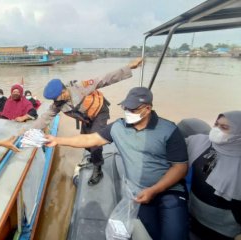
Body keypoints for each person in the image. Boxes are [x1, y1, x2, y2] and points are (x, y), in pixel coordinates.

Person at [45, 87, 189, 240]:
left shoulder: (169, 130)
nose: (127, 111)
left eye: (133, 109)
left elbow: (180, 168)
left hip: (169, 192)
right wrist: (57, 140)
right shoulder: (118, 127)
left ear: (147, 109)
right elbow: (89, 139)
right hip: (138, 192)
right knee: (151, 233)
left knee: (174, 235)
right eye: (125, 107)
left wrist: (154, 190)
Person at [33, 57, 143, 186]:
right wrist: (26, 132)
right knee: (85, 141)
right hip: (86, 118)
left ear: (63, 92)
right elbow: (45, 118)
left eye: (56, 98)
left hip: (99, 113)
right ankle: (93, 157)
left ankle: (98, 168)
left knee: (94, 143)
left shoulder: (81, 87)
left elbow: (105, 79)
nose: (55, 102)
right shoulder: (58, 104)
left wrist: (129, 67)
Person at [187, 111, 241, 240]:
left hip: (223, 232)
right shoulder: (201, 143)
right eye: (216, 125)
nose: (216, 130)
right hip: (193, 219)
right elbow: (172, 148)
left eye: (224, 127)